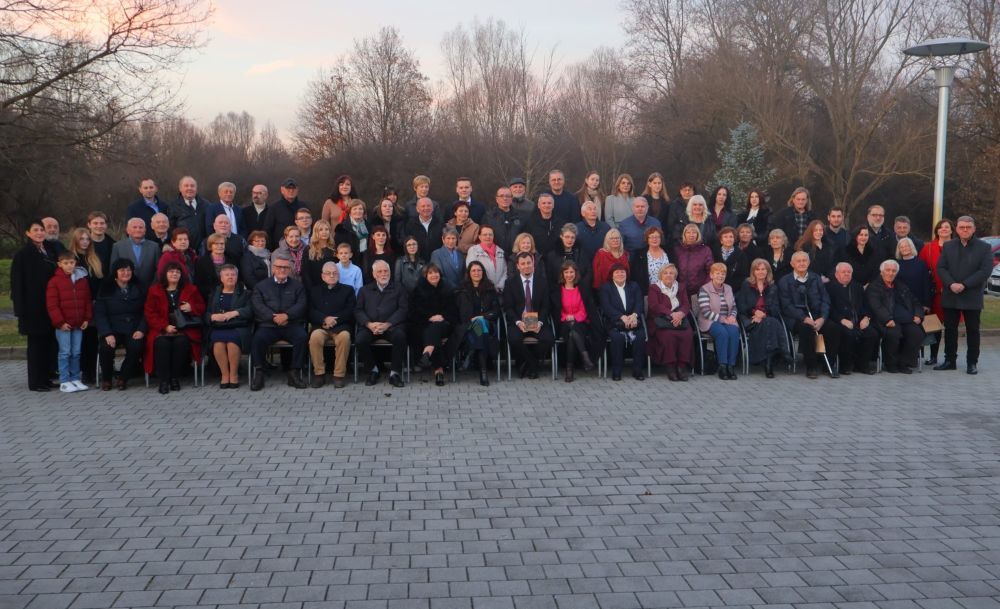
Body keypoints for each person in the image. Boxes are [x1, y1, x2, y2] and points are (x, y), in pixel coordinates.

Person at [935, 215, 993, 374]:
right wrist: (951, 284)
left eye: (968, 227)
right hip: (951, 293)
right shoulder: (948, 246)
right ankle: (949, 360)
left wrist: (964, 284)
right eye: (962, 227)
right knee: (950, 330)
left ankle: (972, 362)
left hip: (972, 294)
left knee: (973, 330)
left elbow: (985, 271)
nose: (965, 230)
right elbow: (941, 268)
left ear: (974, 229)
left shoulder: (984, 247)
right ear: (957, 229)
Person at [12, 219, 60, 392]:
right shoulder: (23, 255)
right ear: (28, 233)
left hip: (49, 305)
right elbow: (17, 284)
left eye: (41, 229)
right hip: (32, 308)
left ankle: (46, 378)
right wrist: (20, 310)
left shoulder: (48, 251)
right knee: (36, 346)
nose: (39, 233)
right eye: (35, 230)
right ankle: (35, 382)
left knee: (48, 344)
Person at [249, 253, 309, 390]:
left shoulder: (298, 286)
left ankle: (294, 372)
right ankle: (259, 372)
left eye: (285, 267)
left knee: (302, 337)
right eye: (279, 267)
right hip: (269, 325)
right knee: (257, 339)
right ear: (273, 268)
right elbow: (258, 305)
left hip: (291, 324)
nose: (282, 270)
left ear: (289, 269)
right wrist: (273, 317)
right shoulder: (261, 286)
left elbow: (302, 304)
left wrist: (287, 316)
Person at [143, 262, 205, 394]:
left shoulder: (191, 289)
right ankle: (164, 380)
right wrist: (164, 326)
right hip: (161, 329)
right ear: (165, 274)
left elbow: (201, 307)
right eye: (171, 272)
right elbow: (150, 313)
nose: (174, 274)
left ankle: (174, 378)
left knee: (181, 343)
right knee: (162, 344)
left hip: (184, 329)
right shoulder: (154, 290)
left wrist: (191, 307)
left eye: (177, 272)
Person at [778, 251, 841, 379]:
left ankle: (828, 364)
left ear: (808, 262)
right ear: (792, 264)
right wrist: (804, 318)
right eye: (798, 261)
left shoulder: (815, 278)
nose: (802, 263)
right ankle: (811, 365)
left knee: (833, 328)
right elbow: (786, 306)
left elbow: (825, 300)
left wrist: (822, 318)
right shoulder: (785, 281)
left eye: (804, 261)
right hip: (797, 318)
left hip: (817, 316)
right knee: (806, 329)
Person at [355, 259, 409, 387]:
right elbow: (358, 310)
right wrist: (369, 324)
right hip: (371, 327)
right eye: (379, 271)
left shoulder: (399, 288)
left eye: (386, 271)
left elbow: (403, 309)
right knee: (360, 340)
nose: (383, 274)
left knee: (400, 337)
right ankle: (373, 370)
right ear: (374, 274)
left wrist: (388, 324)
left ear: (390, 273)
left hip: (392, 326)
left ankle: (394, 373)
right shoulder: (364, 290)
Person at [94, 259, 145, 390]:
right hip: (112, 329)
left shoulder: (139, 287)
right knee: (106, 348)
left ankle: (123, 377)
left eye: (129, 270)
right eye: (122, 270)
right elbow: (100, 314)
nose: (126, 273)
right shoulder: (106, 288)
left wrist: (141, 329)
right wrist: (107, 333)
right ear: (115, 273)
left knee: (136, 347)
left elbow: (146, 312)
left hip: (133, 329)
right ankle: (106, 378)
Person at [866, 259, 924, 374]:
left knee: (916, 334)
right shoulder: (874, 287)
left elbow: (915, 302)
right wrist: (887, 319)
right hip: (886, 320)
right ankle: (891, 363)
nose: (891, 273)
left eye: (893, 271)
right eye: (888, 270)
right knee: (893, 334)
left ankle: (904, 362)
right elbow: (876, 307)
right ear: (881, 272)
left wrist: (918, 314)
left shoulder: (901, 285)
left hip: (906, 319)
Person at [46, 252, 92, 392]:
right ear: (60, 264)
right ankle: (65, 381)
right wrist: (60, 322)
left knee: (76, 352)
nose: (69, 265)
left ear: (75, 263)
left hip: (78, 323)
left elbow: (87, 301)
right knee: (65, 352)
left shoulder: (82, 280)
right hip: (63, 325)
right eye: (65, 263)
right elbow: (52, 305)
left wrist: (86, 318)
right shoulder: (54, 281)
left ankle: (75, 378)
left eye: (71, 262)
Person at [503, 252, 554, 379]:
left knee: (548, 339)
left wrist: (540, 322)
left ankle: (526, 364)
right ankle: (533, 365)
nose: (526, 266)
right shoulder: (510, 283)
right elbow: (508, 307)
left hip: (537, 320)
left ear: (533, 264)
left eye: (529, 263)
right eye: (523, 264)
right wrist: (518, 322)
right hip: (519, 321)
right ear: (518, 266)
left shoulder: (542, 282)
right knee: (513, 339)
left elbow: (546, 306)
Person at [450, 261, 501, 386]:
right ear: (469, 273)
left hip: (487, 325)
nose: (476, 273)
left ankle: (471, 354)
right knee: (481, 334)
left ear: (483, 272)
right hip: (467, 328)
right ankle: (483, 373)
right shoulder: (461, 291)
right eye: (473, 270)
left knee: (480, 323)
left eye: (479, 270)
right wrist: (470, 321)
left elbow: (496, 311)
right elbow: (456, 313)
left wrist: (482, 317)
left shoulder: (490, 289)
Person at [735, 258, 788, 378]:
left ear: (768, 271)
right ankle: (781, 354)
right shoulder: (746, 285)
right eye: (757, 269)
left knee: (769, 323)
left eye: (763, 269)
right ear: (753, 271)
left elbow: (776, 308)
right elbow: (741, 305)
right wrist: (755, 313)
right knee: (772, 323)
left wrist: (764, 314)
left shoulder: (772, 287)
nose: (760, 272)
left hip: (766, 318)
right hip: (750, 319)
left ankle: (768, 362)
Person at [308, 261, 355, 388]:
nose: (332, 275)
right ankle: (319, 374)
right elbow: (310, 310)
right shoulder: (314, 290)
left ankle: (339, 375)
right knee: (315, 337)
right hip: (321, 326)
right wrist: (324, 319)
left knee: (345, 338)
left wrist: (335, 321)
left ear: (338, 275)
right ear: (322, 276)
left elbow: (350, 310)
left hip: (341, 326)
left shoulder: (348, 290)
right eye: (328, 273)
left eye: (335, 273)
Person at [826, 261, 879, 375]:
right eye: (843, 272)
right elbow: (829, 309)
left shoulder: (857, 287)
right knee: (847, 334)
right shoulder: (829, 288)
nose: (846, 274)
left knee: (872, 333)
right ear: (836, 274)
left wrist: (866, 318)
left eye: (849, 272)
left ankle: (863, 365)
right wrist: (842, 320)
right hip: (839, 321)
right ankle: (845, 366)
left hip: (858, 320)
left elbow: (866, 305)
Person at [204, 264, 252, 388]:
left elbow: (250, 311)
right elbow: (206, 313)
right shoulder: (214, 293)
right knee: (218, 342)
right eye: (227, 275)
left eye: (233, 274)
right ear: (221, 278)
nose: (230, 277)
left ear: (237, 277)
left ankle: (234, 375)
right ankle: (225, 375)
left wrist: (235, 313)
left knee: (232, 342)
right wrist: (212, 317)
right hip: (218, 327)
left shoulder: (246, 293)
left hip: (238, 327)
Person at [551, 261, 598, 382]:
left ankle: (569, 370)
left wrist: (575, 317)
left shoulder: (582, 289)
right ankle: (585, 358)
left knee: (573, 333)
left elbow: (584, 309)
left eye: (571, 272)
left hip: (581, 323)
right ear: (562, 274)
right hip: (563, 323)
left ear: (576, 273)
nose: (569, 275)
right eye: (566, 272)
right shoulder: (558, 290)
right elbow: (557, 310)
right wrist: (566, 317)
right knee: (571, 330)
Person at [409, 264, 456, 386]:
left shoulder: (447, 288)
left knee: (434, 328)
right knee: (432, 332)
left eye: (436, 272)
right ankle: (438, 371)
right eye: (430, 273)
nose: (434, 275)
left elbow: (453, 309)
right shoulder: (418, 290)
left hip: (444, 323)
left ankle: (427, 353)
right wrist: (429, 317)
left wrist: (442, 316)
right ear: (425, 276)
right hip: (423, 323)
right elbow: (414, 312)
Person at [599, 264, 647, 381]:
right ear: (612, 275)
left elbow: (639, 303)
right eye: (617, 272)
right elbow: (606, 307)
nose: (620, 274)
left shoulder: (634, 286)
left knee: (640, 336)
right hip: (614, 322)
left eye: (622, 272)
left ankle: (638, 370)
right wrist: (621, 317)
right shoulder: (606, 288)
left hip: (633, 320)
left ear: (626, 274)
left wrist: (634, 315)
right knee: (617, 338)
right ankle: (617, 371)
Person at [67, 227, 103, 381]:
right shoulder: (71, 259)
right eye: (81, 239)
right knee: (78, 341)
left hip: (93, 304)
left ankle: (90, 371)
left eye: (87, 239)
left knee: (91, 339)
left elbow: (99, 281)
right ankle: (78, 371)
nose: (85, 242)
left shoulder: (94, 259)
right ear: (75, 240)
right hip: (76, 305)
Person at [646, 264, 693, 381]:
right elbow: (654, 305)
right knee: (668, 336)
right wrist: (671, 314)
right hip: (660, 320)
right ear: (660, 275)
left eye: (671, 273)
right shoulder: (654, 288)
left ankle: (681, 366)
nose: (668, 275)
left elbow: (686, 304)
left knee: (687, 334)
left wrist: (680, 314)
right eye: (665, 273)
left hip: (679, 319)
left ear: (675, 276)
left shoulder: (681, 287)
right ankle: (670, 366)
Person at [918, 218, 954, 364]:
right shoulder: (928, 248)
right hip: (935, 293)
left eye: (947, 227)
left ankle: (950, 357)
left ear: (952, 230)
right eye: (940, 227)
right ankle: (933, 356)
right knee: (934, 325)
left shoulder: (958, 246)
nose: (943, 229)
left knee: (951, 326)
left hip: (954, 292)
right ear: (937, 231)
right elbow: (921, 270)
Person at [697, 262, 740, 380]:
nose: (720, 276)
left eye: (723, 274)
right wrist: (723, 319)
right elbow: (705, 311)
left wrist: (732, 316)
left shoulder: (728, 288)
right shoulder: (704, 289)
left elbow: (734, 306)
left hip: (728, 320)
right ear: (711, 275)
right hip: (710, 320)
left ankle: (731, 366)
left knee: (734, 332)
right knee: (722, 333)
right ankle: (722, 366)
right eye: (717, 273)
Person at [110, 217, 161, 289]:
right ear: (128, 230)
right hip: (126, 289)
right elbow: (113, 269)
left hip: (149, 289)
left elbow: (159, 269)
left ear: (145, 230)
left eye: (141, 227)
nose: (138, 230)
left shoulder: (154, 246)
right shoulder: (118, 246)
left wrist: (153, 286)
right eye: (134, 227)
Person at [262, 178, 309, 249]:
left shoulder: (304, 206)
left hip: (302, 249)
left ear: (297, 190)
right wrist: (271, 250)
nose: (291, 190)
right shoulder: (274, 208)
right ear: (282, 190)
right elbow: (267, 231)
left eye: (294, 188)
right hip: (280, 250)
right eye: (288, 188)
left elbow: (310, 227)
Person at [168, 176, 210, 251]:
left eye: (192, 186)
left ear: (196, 188)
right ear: (180, 188)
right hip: (184, 248)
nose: (189, 188)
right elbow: (171, 228)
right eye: (186, 186)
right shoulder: (173, 206)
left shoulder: (206, 204)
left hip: (204, 247)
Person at [545, 224, 592, 290]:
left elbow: (588, 272)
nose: (570, 240)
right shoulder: (552, 256)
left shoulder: (581, 254)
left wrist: (581, 288)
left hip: (579, 291)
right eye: (567, 237)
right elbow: (550, 278)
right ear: (561, 236)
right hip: (559, 291)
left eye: (572, 237)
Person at [673, 224, 714, 299]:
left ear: (698, 234)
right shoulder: (678, 250)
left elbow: (711, 271)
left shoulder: (705, 250)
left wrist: (704, 288)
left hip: (699, 291)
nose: (691, 235)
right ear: (684, 234)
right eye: (688, 232)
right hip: (681, 291)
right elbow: (674, 270)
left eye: (694, 232)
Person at [895, 238, 932, 316]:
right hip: (901, 303)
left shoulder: (921, 264)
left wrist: (927, 304)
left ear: (911, 247)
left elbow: (926, 285)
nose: (904, 248)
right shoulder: (896, 265)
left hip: (919, 302)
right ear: (899, 250)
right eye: (901, 247)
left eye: (906, 246)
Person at [483, 186, 524, 254]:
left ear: (511, 199)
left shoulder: (520, 217)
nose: (505, 198)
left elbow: (524, 238)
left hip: (515, 256)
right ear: (497, 199)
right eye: (501, 196)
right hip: (494, 255)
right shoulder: (489, 217)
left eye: (507, 196)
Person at [466, 225, 508, 292]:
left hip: (499, 290)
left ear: (493, 236)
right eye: (485, 235)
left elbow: (505, 272)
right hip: (482, 290)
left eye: (490, 234)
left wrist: (500, 285)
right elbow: (472, 270)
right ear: (479, 237)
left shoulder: (500, 251)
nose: (488, 237)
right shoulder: (473, 250)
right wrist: (486, 286)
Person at [404, 197, 443, 262]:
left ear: (432, 208)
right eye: (423, 206)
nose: (426, 208)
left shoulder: (439, 223)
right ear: (417, 209)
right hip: (418, 261)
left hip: (437, 260)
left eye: (428, 206)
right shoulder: (410, 224)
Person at [334, 199, 371, 267]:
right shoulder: (342, 228)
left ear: (364, 211)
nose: (358, 211)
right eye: (355, 209)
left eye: (360, 209)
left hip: (366, 261)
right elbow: (339, 248)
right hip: (349, 263)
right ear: (350, 212)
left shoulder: (368, 226)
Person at [301, 220, 337, 289]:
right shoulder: (309, 249)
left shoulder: (334, 248)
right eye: (321, 230)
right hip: (315, 287)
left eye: (326, 229)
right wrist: (311, 289)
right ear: (316, 232)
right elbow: (305, 272)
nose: (324, 232)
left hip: (332, 286)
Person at [193, 233, 228, 301]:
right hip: (209, 297)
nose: (220, 246)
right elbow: (199, 283)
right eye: (216, 244)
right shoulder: (201, 262)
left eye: (222, 244)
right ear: (210, 246)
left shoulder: (232, 260)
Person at [575, 201, 611, 266]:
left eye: (595, 209)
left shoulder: (606, 227)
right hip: (583, 264)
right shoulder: (577, 228)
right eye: (590, 209)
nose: (593, 211)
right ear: (583, 213)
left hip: (603, 263)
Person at [713, 226, 749, 291]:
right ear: (721, 240)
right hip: (715, 288)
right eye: (725, 237)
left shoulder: (741, 254)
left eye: (731, 237)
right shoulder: (714, 252)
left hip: (734, 290)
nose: (728, 239)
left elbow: (743, 275)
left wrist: (729, 288)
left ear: (734, 239)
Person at [665, 182, 696, 250]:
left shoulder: (698, 204)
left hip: (696, 240)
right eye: (685, 190)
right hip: (679, 242)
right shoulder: (674, 205)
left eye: (689, 190)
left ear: (693, 192)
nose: (687, 192)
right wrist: (681, 239)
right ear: (680, 191)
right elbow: (671, 225)